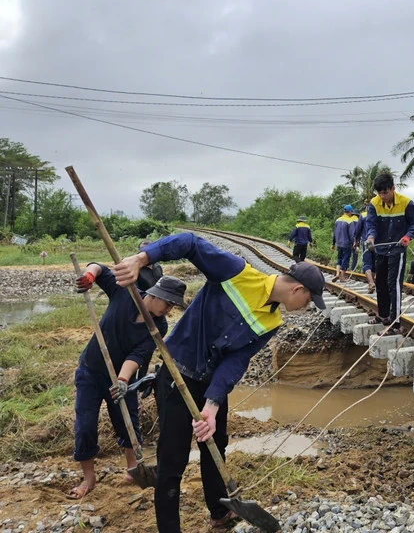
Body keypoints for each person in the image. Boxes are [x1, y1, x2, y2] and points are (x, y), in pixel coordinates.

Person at [111, 232, 326, 533]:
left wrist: (211, 405)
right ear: (298, 289)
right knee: (172, 458)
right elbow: (189, 242)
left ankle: (219, 512)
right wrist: (141, 259)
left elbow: (236, 360)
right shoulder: (236, 272)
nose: (307, 306)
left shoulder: (272, 322)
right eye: (309, 300)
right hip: (176, 374)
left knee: (215, 444)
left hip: (210, 383)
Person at [69, 266, 186, 500]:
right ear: (154, 295)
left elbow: (138, 355)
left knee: (128, 422)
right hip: (91, 371)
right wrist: (89, 276)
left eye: (173, 306)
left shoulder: (158, 326)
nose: (169, 310)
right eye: (168, 304)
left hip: (122, 378)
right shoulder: (125, 292)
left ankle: (134, 470)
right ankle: (89, 479)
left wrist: (122, 380)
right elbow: (101, 269)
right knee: (85, 426)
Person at [364, 173, 414, 331]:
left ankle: (395, 322)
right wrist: (371, 237)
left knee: (393, 284)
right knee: (380, 283)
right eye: (379, 193)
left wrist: (407, 236)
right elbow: (371, 225)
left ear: (393, 189)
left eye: (385, 192)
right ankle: (383, 315)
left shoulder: (406, 203)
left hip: (397, 250)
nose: (382, 196)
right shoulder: (374, 204)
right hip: (381, 249)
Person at [332, 204, 358, 282]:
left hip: (338, 243)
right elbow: (351, 234)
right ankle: (342, 277)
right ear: (350, 212)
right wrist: (355, 243)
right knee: (345, 259)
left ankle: (337, 274)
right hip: (347, 244)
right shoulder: (350, 221)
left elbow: (334, 233)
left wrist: (333, 243)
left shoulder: (337, 220)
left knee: (339, 258)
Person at [358, 203, 376, 293]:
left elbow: (358, 230)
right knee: (375, 264)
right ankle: (373, 281)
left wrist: (355, 241)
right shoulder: (381, 213)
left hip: (367, 242)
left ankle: (371, 283)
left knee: (367, 264)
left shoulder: (363, 215)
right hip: (378, 243)